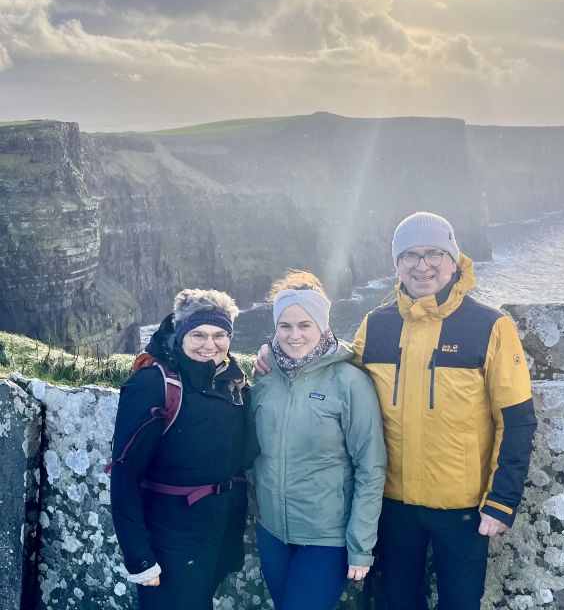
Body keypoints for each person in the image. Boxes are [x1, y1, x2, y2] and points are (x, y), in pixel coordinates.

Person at [255, 213, 537, 610]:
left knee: (460, 602)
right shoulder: (377, 325)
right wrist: (273, 351)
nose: (422, 265)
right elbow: (328, 369)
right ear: (396, 265)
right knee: (398, 602)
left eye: (433, 253)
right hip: (394, 505)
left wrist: (501, 500)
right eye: (410, 256)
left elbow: (517, 420)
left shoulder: (490, 326)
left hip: (463, 508)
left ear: (453, 259)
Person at [109, 289, 256, 610]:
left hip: (218, 537)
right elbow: (124, 475)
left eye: (220, 335)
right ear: (180, 333)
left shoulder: (232, 382)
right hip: (169, 542)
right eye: (198, 334)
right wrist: (139, 558)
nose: (209, 344)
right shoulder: (153, 385)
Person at [251, 270, 387, 610]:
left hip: (326, 538)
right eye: (285, 326)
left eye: (304, 325)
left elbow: (371, 467)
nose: (294, 335)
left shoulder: (349, 382)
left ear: (323, 327)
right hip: (272, 533)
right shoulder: (264, 380)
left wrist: (360, 545)